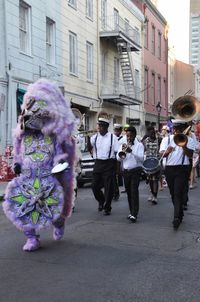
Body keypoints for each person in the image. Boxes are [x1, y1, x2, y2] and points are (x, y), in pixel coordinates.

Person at [3, 79, 76, 251]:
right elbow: (18, 155)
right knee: (24, 210)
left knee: (53, 212)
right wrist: (17, 165)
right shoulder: (22, 137)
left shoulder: (52, 137)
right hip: (28, 179)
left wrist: (59, 166)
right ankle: (32, 238)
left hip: (48, 179)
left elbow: (60, 156)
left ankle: (59, 223)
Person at [159, 119, 195, 229]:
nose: (177, 130)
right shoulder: (166, 139)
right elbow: (161, 154)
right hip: (169, 168)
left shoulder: (189, 139)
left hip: (182, 169)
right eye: (175, 128)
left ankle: (176, 218)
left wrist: (184, 145)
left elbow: (190, 155)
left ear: (184, 129)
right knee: (173, 193)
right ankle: (180, 213)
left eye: (180, 128)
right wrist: (168, 151)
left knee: (178, 192)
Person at [89, 113, 119, 215]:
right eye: (99, 125)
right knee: (94, 186)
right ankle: (101, 200)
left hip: (109, 163)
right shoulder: (94, 138)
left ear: (106, 127)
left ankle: (107, 206)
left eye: (101, 126)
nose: (99, 128)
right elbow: (91, 147)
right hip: (98, 163)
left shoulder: (113, 138)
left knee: (108, 186)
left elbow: (117, 151)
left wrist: (117, 166)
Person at [117, 127, 144, 222]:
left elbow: (141, 159)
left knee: (134, 191)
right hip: (126, 171)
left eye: (130, 136)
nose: (129, 138)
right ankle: (131, 211)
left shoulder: (139, 145)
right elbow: (118, 158)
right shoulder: (123, 145)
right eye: (127, 136)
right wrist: (122, 155)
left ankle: (134, 214)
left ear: (134, 135)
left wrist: (131, 152)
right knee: (129, 192)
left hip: (135, 171)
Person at [143, 126, 161, 205]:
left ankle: (155, 196)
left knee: (155, 180)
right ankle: (152, 194)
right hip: (147, 163)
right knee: (150, 180)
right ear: (148, 133)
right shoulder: (145, 141)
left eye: (153, 133)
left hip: (156, 162)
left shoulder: (159, 140)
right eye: (150, 133)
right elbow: (143, 150)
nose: (152, 134)